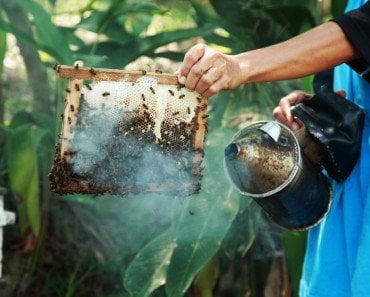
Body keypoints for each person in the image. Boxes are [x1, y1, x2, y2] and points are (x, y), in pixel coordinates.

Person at [178, 1, 370, 296]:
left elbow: (359, 30)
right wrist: (318, 108)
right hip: (349, 190)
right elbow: (345, 75)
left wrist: (238, 66)